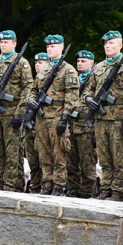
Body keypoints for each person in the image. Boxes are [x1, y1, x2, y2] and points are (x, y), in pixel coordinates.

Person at [82, 31, 123, 201]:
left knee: (119, 156)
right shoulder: (99, 67)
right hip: (101, 119)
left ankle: (119, 191)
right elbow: (88, 89)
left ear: (120, 45)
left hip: (119, 119)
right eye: (106, 44)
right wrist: (88, 99)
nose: (108, 46)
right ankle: (105, 188)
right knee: (104, 157)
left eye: (112, 43)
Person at [0, 30, 33, 192]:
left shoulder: (21, 62)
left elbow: (27, 89)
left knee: (12, 153)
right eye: (1, 42)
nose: (3, 44)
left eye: (7, 42)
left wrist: (19, 112)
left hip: (11, 113)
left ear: (14, 44)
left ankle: (10, 186)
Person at [28, 36, 79, 196]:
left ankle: (58, 186)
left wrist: (65, 118)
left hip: (57, 116)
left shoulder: (68, 69)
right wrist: (31, 100)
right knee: (44, 153)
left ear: (62, 47)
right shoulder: (43, 70)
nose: (49, 48)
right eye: (48, 46)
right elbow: (33, 90)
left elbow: (72, 96)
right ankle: (47, 184)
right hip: (42, 118)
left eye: (53, 46)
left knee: (59, 153)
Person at [66, 50, 97, 198]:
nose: (79, 63)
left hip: (86, 128)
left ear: (91, 63)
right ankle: (73, 191)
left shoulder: (96, 79)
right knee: (70, 162)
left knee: (87, 163)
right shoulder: (73, 78)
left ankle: (88, 192)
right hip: (71, 125)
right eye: (78, 61)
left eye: (83, 61)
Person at [25, 52, 49, 192]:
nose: (37, 65)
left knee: (44, 159)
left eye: (41, 62)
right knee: (32, 160)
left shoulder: (50, 82)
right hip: (29, 126)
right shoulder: (32, 82)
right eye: (36, 63)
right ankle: (35, 187)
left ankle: (46, 186)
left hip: (42, 125)